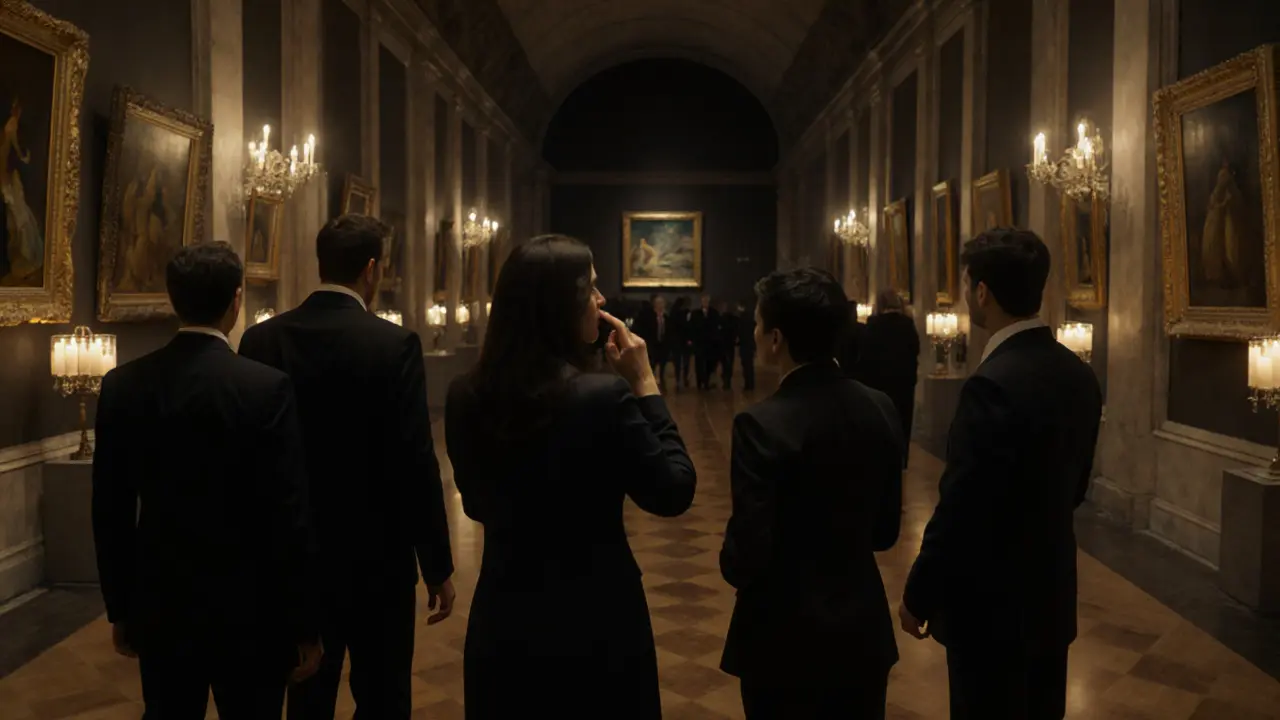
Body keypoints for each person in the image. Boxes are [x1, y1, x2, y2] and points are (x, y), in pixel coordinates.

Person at [445, 235, 697, 719]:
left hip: (506, 614)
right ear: (559, 304)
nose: (601, 300)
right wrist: (645, 383)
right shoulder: (602, 398)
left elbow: (475, 504)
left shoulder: (464, 395)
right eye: (591, 289)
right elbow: (673, 490)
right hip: (597, 617)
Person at [239, 214, 456, 720]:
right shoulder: (394, 344)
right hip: (377, 557)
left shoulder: (261, 340)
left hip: (294, 558)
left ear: (321, 264)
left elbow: (251, 460)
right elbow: (415, 462)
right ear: (371, 269)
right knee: (384, 698)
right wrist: (437, 565)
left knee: (306, 699)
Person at [93, 242, 321, 717]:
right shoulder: (265, 387)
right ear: (236, 300)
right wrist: (303, 622)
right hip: (252, 608)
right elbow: (287, 514)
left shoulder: (124, 385)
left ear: (173, 299)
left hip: (163, 602)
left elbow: (110, 510)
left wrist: (121, 608)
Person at [899, 228, 1103, 720]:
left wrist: (918, 595)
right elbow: (1076, 487)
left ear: (982, 292)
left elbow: (960, 509)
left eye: (967, 283)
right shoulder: (1078, 374)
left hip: (990, 613)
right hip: (1049, 598)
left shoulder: (990, 385)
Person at [720, 268, 902, 718]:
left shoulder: (761, 424)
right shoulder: (880, 406)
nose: (754, 333)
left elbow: (746, 557)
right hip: (860, 631)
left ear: (776, 338)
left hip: (782, 639)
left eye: (757, 323)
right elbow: (884, 532)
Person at [854, 288, 920, 465]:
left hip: (879, 385)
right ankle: (902, 460)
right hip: (904, 384)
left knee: (882, 425)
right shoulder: (908, 325)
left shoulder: (873, 326)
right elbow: (915, 351)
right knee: (902, 422)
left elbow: (865, 358)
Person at [689, 294, 719, 390]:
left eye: (707, 301)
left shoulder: (714, 313)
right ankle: (699, 382)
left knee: (709, 363)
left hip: (710, 343)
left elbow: (716, 327)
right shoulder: (695, 313)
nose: (705, 302)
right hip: (699, 342)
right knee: (699, 363)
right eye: (704, 301)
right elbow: (691, 327)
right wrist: (691, 339)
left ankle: (706, 381)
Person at [669, 296, 692, 389]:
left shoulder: (673, 313)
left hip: (676, 341)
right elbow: (688, 327)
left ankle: (678, 380)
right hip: (685, 340)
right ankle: (685, 378)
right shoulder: (686, 313)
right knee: (686, 361)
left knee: (677, 362)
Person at [717, 300, 739, 390]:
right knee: (729, 363)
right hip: (730, 344)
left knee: (724, 363)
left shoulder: (720, 319)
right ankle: (727, 380)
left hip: (722, 344)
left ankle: (726, 379)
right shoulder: (734, 319)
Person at [736, 301, 757, 391]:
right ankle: (750, 383)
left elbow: (740, 332)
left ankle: (747, 384)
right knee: (749, 365)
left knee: (745, 365)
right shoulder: (751, 319)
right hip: (750, 345)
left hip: (744, 345)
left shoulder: (741, 319)